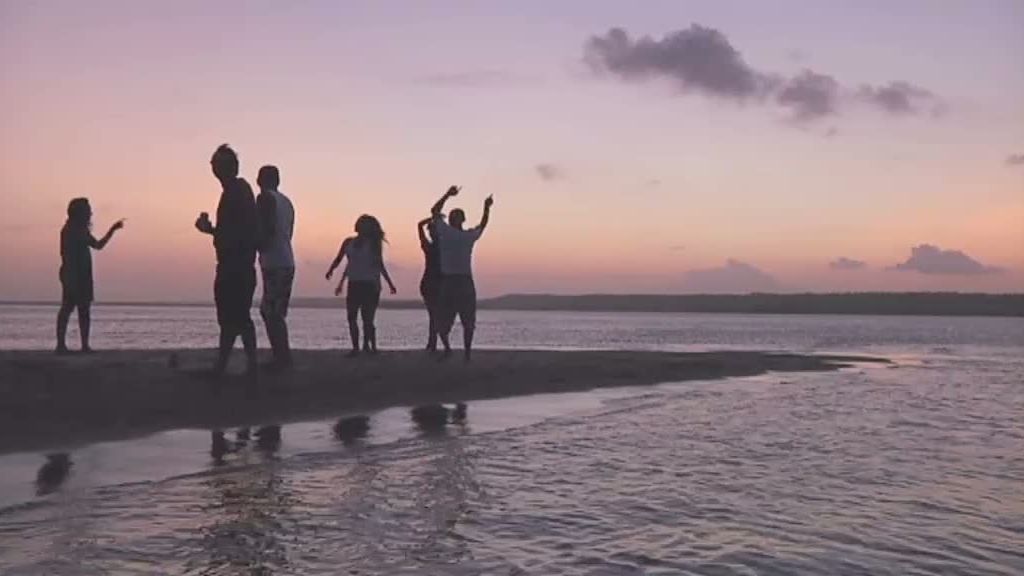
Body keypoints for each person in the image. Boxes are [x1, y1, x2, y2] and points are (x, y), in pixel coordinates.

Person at [195, 144, 260, 377]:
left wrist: (211, 231)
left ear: (227, 167)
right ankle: (227, 364)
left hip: (236, 265)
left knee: (236, 316)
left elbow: (241, 231)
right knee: (233, 317)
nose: (213, 166)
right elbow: (235, 230)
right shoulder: (236, 191)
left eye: (216, 162)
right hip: (234, 263)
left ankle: (242, 365)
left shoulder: (237, 190)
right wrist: (211, 230)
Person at [429, 185, 493, 361]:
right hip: (460, 281)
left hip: (453, 281)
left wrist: (447, 195)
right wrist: (486, 208)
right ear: (463, 220)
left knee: (447, 319)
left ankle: (455, 350)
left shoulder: (448, 232)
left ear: (451, 220)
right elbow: (483, 225)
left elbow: (435, 211)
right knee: (466, 320)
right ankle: (465, 353)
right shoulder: (466, 236)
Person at [56, 198, 125, 354]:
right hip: (74, 275)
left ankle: (78, 345)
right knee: (70, 309)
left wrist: (112, 230)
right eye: (88, 211)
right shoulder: (73, 230)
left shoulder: (75, 229)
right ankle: (64, 345)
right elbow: (97, 245)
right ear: (79, 213)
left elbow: (97, 245)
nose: (90, 213)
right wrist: (112, 230)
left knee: (79, 310)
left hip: (78, 275)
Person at [325, 215, 397, 356]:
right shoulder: (348, 242)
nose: (359, 225)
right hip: (354, 284)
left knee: (367, 318)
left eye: (364, 223)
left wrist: (390, 284)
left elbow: (379, 264)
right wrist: (332, 271)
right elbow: (341, 260)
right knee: (351, 317)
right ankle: (356, 347)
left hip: (370, 284)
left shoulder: (374, 244)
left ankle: (369, 346)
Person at [255, 165, 295, 371]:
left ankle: (282, 358)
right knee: (273, 311)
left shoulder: (264, 199)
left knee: (271, 312)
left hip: (275, 261)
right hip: (286, 260)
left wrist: (255, 244)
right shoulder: (287, 203)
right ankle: (282, 355)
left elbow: (266, 229)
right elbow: (289, 232)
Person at [417, 216, 443, 352]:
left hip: (435, 283)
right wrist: (434, 217)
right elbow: (420, 225)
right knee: (435, 314)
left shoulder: (441, 247)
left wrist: (434, 218)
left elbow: (420, 226)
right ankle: (432, 342)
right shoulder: (433, 247)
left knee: (435, 315)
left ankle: (433, 342)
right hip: (431, 283)